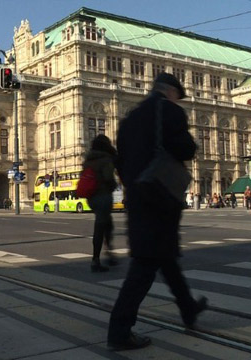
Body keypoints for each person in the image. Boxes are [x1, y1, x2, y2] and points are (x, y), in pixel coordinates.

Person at [108, 73, 208, 350]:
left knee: (165, 257)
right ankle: (119, 331)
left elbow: (121, 160)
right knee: (145, 265)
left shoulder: (130, 117)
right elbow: (185, 149)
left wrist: (136, 186)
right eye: (179, 94)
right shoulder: (170, 111)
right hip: (162, 196)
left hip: (138, 195)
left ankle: (188, 308)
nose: (179, 98)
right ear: (170, 91)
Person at [83, 134, 119, 272]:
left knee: (105, 224)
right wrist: (113, 184)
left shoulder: (88, 160)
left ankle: (107, 254)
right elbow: (108, 177)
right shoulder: (105, 160)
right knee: (102, 227)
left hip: (91, 198)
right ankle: (97, 259)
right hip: (103, 196)